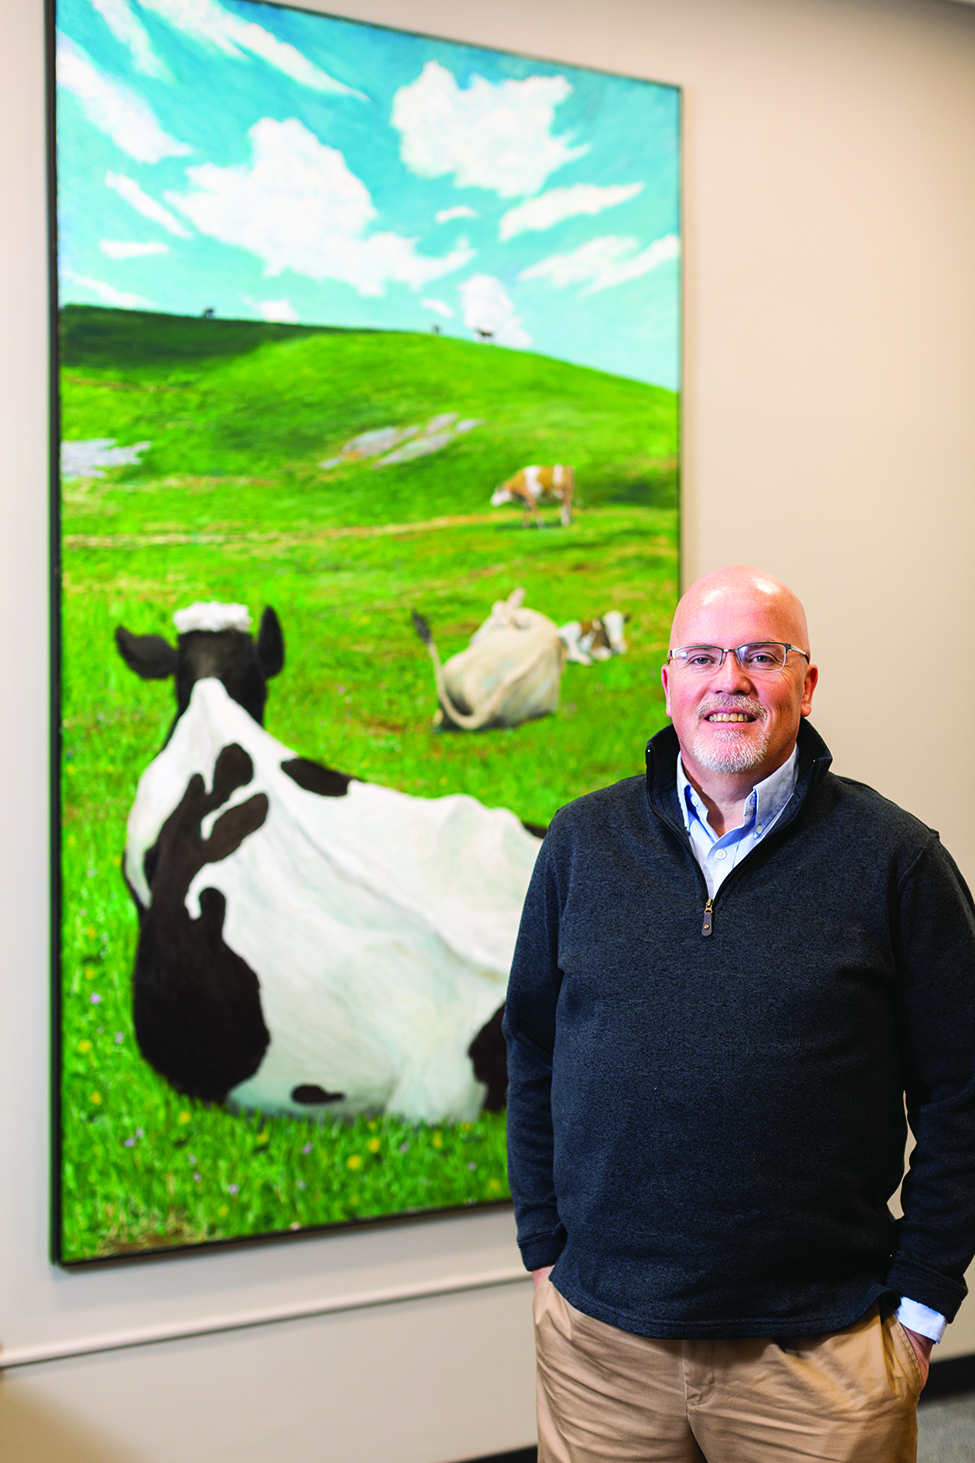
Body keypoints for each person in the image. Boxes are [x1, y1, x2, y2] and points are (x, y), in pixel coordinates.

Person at [503, 564, 975, 1463]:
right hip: (601, 1349)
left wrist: (917, 1310)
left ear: (806, 682)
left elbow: (965, 1090)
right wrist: (543, 1247)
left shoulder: (897, 862)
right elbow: (532, 1047)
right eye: (704, 656)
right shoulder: (579, 844)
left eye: (762, 654)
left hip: (819, 1362)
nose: (731, 679)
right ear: (668, 682)